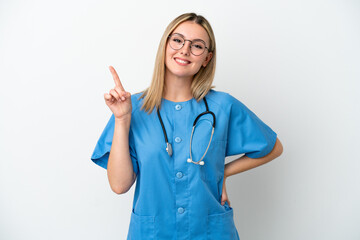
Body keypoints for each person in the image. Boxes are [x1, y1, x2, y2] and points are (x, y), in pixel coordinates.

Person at [91, 12, 283, 240]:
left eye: (197, 46)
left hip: (210, 232)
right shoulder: (131, 109)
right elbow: (120, 185)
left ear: (207, 59)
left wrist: (224, 174)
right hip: (153, 233)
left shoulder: (223, 106)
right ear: (165, 45)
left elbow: (273, 147)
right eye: (178, 40)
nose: (184, 50)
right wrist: (122, 120)